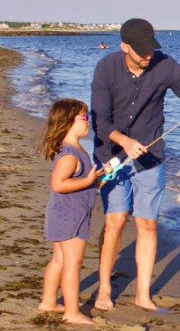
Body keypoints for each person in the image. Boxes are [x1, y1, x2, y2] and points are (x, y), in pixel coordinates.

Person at [91, 18, 180, 311]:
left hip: (150, 156)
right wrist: (123, 140)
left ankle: (143, 294)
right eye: (141, 51)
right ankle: (104, 290)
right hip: (111, 155)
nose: (148, 55)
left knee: (147, 224)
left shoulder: (165, 65)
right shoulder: (106, 68)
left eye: (151, 49)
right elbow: (100, 120)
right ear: (124, 47)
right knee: (116, 221)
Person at [38, 99, 104, 325]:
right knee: (72, 263)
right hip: (71, 216)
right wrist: (88, 179)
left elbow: (76, 181)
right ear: (68, 123)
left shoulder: (75, 149)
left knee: (59, 259)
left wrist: (93, 183)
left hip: (63, 213)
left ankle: (48, 301)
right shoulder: (70, 155)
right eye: (84, 118)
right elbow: (58, 184)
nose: (88, 122)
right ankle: (72, 312)